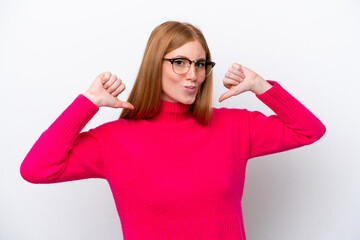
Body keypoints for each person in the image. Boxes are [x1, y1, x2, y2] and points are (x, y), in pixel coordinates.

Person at [20, 21, 326, 240]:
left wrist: (261, 86)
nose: (193, 75)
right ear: (155, 65)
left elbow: (309, 130)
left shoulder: (235, 126)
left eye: (201, 64)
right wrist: (87, 104)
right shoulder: (113, 140)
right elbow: (36, 169)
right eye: (180, 62)